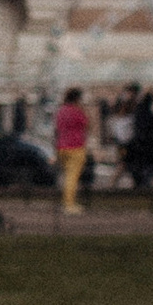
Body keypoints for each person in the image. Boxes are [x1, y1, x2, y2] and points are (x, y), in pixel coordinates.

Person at [51, 82, 91, 214]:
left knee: (66, 176)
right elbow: (87, 125)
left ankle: (66, 201)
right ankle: (69, 205)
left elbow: (56, 128)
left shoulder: (61, 111)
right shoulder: (77, 111)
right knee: (72, 177)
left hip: (61, 146)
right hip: (76, 146)